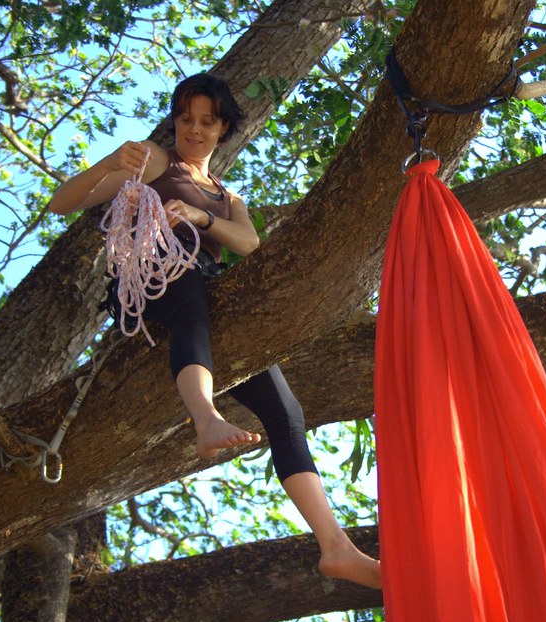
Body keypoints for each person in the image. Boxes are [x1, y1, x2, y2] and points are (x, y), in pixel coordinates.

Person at [49, 73, 381, 590]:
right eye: (186, 119)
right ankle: (205, 417)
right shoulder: (157, 162)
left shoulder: (229, 197)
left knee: (285, 410)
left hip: (206, 288)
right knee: (188, 299)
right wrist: (110, 164)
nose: (194, 130)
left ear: (223, 129)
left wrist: (201, 218)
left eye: (206, 122)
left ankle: (336, 547)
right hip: (156, 280)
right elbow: (61, 203)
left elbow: (248, 244)